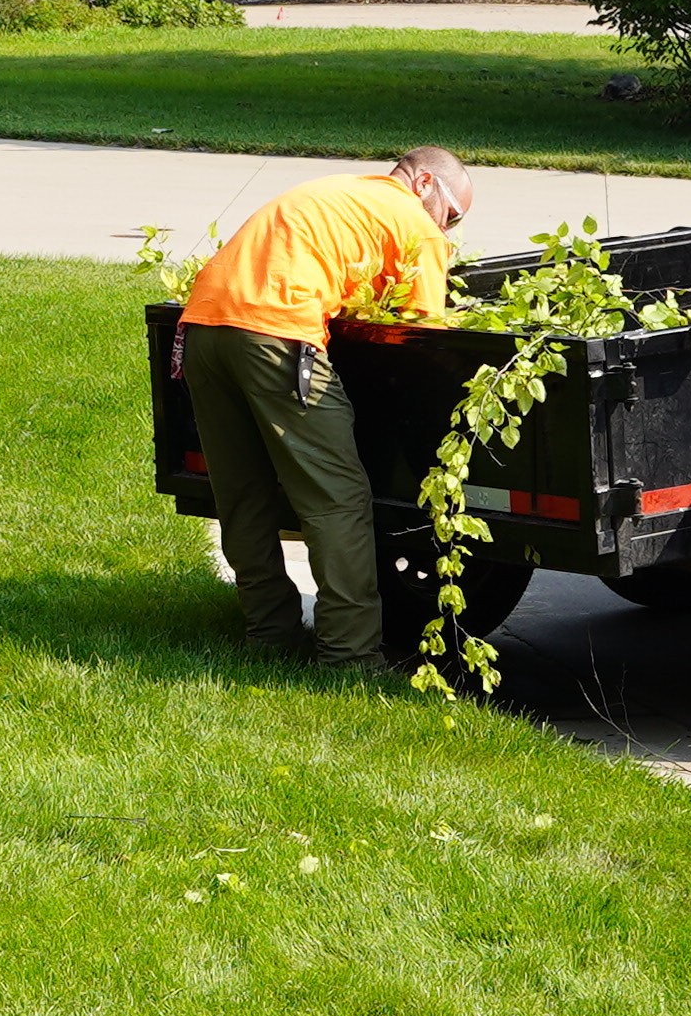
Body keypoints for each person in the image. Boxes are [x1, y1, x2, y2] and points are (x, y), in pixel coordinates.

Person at [172, 144, 474, 672]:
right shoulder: (415, 222)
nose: (447, 232)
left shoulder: (344, 194)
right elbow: (424, 331)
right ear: (425, 183)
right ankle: (349, 658)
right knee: (338, 500)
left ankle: (270, 635)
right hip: (276, 336)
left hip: (203, 329)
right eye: (452, 216)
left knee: (243, 495)